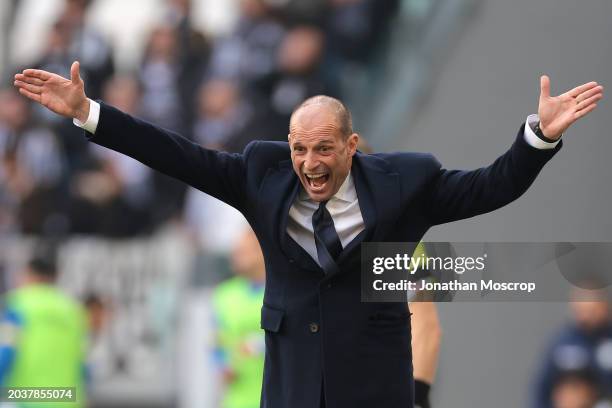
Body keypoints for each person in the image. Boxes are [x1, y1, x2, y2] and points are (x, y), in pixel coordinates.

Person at [13, 61, 603, 408]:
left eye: (324, 148)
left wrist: (536, 139)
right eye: (300, 148)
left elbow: (491, 186)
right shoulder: (261, 174)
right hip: (291, 390)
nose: (310, 162)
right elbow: (177, 155)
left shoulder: (406, 184)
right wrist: (90, 112)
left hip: (375, 392)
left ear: (350, 145)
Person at [0, 246, 88, 408]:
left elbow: (6, 352)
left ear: (29, 274)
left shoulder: (18, 304)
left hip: (27, 398)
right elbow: (82, 364)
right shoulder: (73, 309)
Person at [213, 228, 266, 408]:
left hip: (272, 396)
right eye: (236, 251)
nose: (236, 256)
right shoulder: (223, 294)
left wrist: (258, 345)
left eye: (243, 251)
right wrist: (222, 364)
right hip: (236, 400)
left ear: (261, 251)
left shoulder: (283, 293)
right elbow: (217, 341)